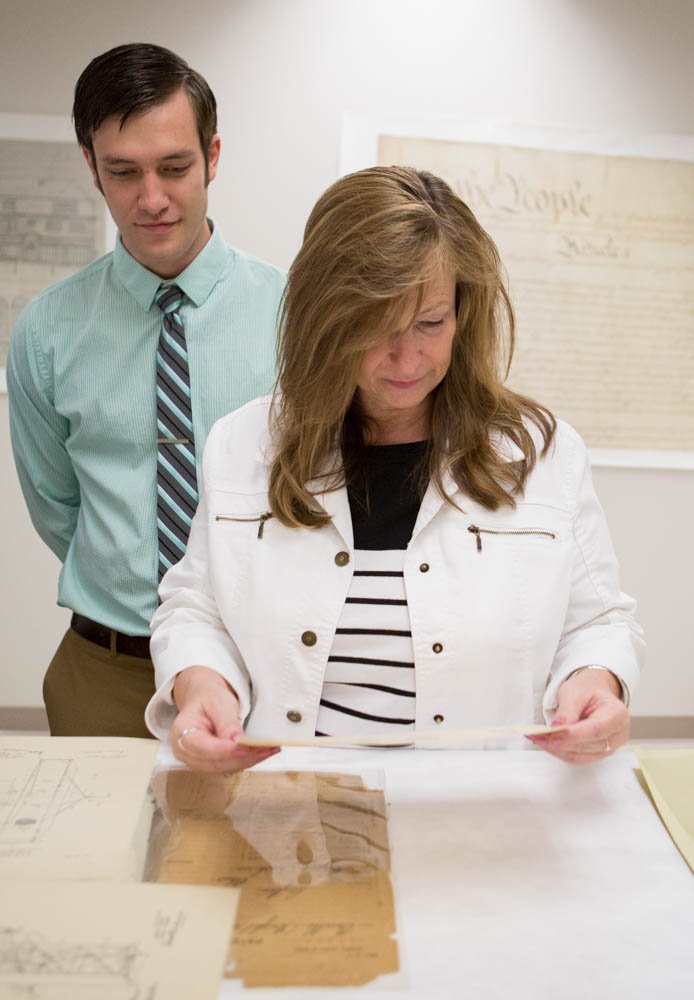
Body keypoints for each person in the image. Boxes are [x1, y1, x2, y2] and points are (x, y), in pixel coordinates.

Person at [145, 166, 644, 770]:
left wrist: (596, 681)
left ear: (464, 312)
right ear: (324, 323)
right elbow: (196, 608)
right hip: (292, 810)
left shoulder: (542, 453)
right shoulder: (245, 444)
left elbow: (597, 622)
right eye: (375, 328)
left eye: (430, 323)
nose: (407, 358)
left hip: (476, 813)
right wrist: (201, 685)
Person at [7, 44, 285, 738]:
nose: (151, 198)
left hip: (264, 663)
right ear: (90, 166)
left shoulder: (297, 313)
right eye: (123, 172)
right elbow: (56, 507)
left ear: (213, 156)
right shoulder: (47, 330)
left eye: (175, 167)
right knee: (97, 852)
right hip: (105, 670)